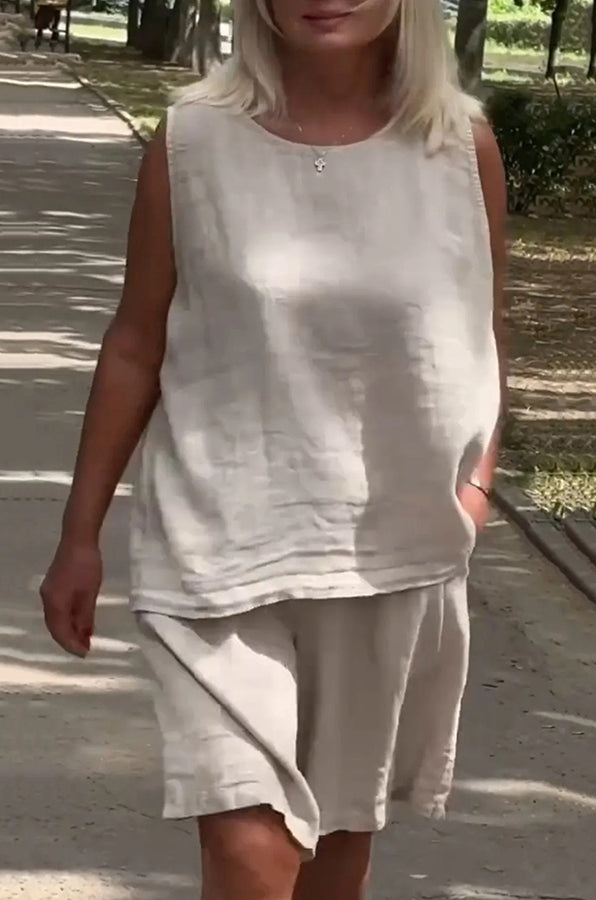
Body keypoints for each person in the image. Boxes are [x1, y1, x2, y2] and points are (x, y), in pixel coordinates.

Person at [41, 1, 507, 897]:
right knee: (252, 847)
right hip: (215, 548)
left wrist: (475, 491)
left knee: (337, 852)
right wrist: (80, 533)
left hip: (388, 553)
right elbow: (137, 342)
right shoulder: (191, 141)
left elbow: (482, 331)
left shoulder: (459, 148)